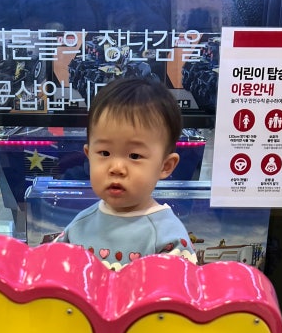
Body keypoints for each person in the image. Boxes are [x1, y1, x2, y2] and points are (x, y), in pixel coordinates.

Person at [54, 77, 197, 270]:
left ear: (165, 166)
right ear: (88, 155)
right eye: (104, 153)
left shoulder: (169, 239)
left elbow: (181, 288)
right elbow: (53, 271)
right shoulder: (79, 226)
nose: (117, 168)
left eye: (135, 155)